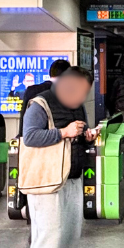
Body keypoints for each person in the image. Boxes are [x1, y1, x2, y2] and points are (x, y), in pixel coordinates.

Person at [19, 66, 97, 248]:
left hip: (71, 175)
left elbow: (76, 137)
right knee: (48, 237)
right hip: (47, 181)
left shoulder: (77, 106)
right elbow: (29, 136)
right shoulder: (40, 104)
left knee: (70, 234)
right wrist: (64, 132)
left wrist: (86, 137)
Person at [18, 58, 71, 220]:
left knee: (33, 182)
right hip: (54, 154)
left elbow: (24, 124)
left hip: (31, 152)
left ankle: (30, 214)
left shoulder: (31, 91)